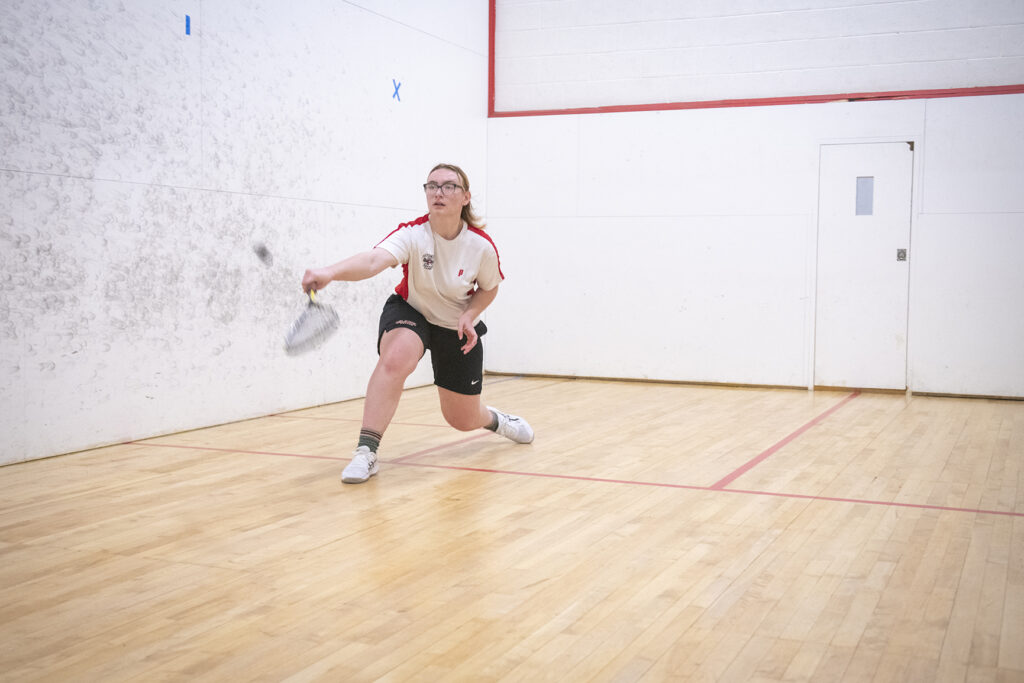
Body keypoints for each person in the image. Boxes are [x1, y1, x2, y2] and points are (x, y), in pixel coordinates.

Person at [301, 163, 534, 484]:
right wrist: (329, 272)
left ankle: (496, 420)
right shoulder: (413, 234)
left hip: (455, 325)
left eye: (449, 186)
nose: (439, 192)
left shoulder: (480, 246)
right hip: (411, 311)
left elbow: (490, 288)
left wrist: (470, 314)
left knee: (462, 419)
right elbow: (373, 260)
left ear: (465, 197)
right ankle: (366, 452)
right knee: (396, 357)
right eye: (432, 185)